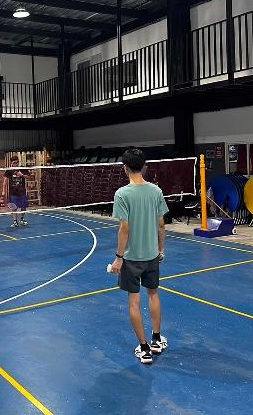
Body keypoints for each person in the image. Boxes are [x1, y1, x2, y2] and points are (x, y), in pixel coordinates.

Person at [110, 148, 169, 365]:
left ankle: (144, 349)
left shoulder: (122, 194)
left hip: (131, 259)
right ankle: (156, 340)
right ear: (143, 166)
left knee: (134, 302)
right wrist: (160, 249)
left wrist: (119, 258)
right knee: (153, 294)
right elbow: (161, 224)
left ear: (125, 168)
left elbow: (124, 228)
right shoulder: (156, 191)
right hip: (152, 255)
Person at [3, 156, 30, 228]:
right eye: (14, 163)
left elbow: (28, 177)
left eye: (17, 162)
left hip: (22, 191)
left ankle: (22, 219)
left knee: (23, 206)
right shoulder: (9, 170)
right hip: (13, 192)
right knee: (14, 207)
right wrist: (3, 191)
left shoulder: (23, 168)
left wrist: (22, 175)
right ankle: (15, 221)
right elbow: (5, 181)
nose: (16, 164)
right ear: (11, 163)